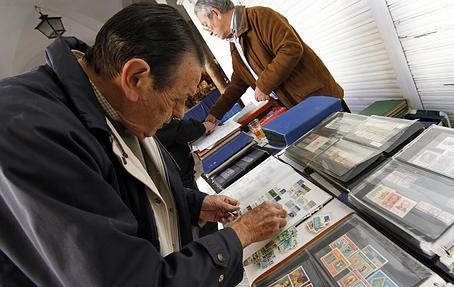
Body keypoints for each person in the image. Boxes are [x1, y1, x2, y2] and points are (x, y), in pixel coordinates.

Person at [0, 3, 287, 287]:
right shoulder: (29, 132)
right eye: (178, 99)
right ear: (135, 77)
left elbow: (116, 192)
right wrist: (241, 235)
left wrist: (191, 204)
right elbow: (126, 279)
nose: (180, 113)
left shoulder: (111, 104)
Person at [194, 0, 349, 125]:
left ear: (215, 13)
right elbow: (238, 81)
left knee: (353, 150)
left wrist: (263, 85)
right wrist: (215, 113)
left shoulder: (260, 16)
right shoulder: (234, 41)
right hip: (297, 107)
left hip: (318, 99)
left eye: (206, 25)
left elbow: (290, 48)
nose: (210, 32)